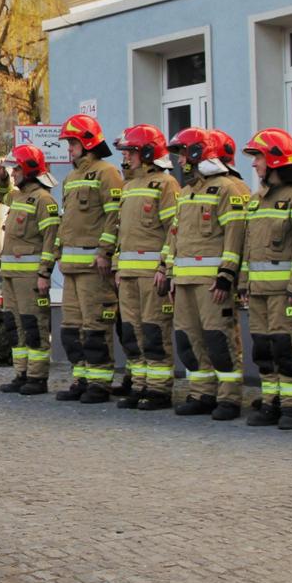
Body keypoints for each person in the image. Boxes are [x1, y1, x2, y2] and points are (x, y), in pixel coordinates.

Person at [159, 128, 250, 419]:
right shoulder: (185, 193)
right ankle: (202, 393)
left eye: (184, 153)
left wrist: (226, 275)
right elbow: (175, 236)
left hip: (212, 284)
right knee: (189, 340)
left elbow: (235, 236)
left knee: (219, 340)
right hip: (184, 281)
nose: (181, 160)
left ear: (199, 154)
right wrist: (169, 271)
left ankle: (229, 398)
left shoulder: (227, 189)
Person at [240, 129, 292, 429]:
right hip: (259, 292)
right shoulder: (257, 199)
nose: (254, 164)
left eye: (258, 156)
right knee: (263, 348)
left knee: (288, 347)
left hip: (285, 293)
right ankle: (271, 401)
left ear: (275, 159)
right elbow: (248, 247)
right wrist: (244, 285)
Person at [51, 114, 123, 403]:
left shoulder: (107, 173)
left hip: (94, 267)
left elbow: (114, 214)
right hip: (70, 268)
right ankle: (81, 378)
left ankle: (99, 383)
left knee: (95, 328)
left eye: (72, 143)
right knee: (70, 329)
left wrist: (105, 251)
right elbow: (66, 220)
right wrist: (57, 252)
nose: (69, 149)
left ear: (87, 143)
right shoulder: (70, 179)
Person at [111, 125, 180, 410]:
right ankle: (140, 385)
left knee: (153, 332)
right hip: (127, 274)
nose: (126, 157)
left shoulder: (165, 184)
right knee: (132, 332)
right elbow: (121, 231)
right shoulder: (128, 187)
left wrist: (165, 267)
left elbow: (173, 231)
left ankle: (159, 389)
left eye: (131, 151)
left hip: (152, 275)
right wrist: (117, 266)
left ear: (148, 153)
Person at [0, 145, 60, 395]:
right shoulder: (19, 197)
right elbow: (3, 196)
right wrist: (0, 180)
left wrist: (44, 273)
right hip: (11, 276)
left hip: (31, 278)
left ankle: (37, 377)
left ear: (30, 169)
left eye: (17, 168)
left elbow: (51, 240)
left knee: (34, 326)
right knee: (15, 326)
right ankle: (21, 373)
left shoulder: (44, 200)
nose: (13, 173)